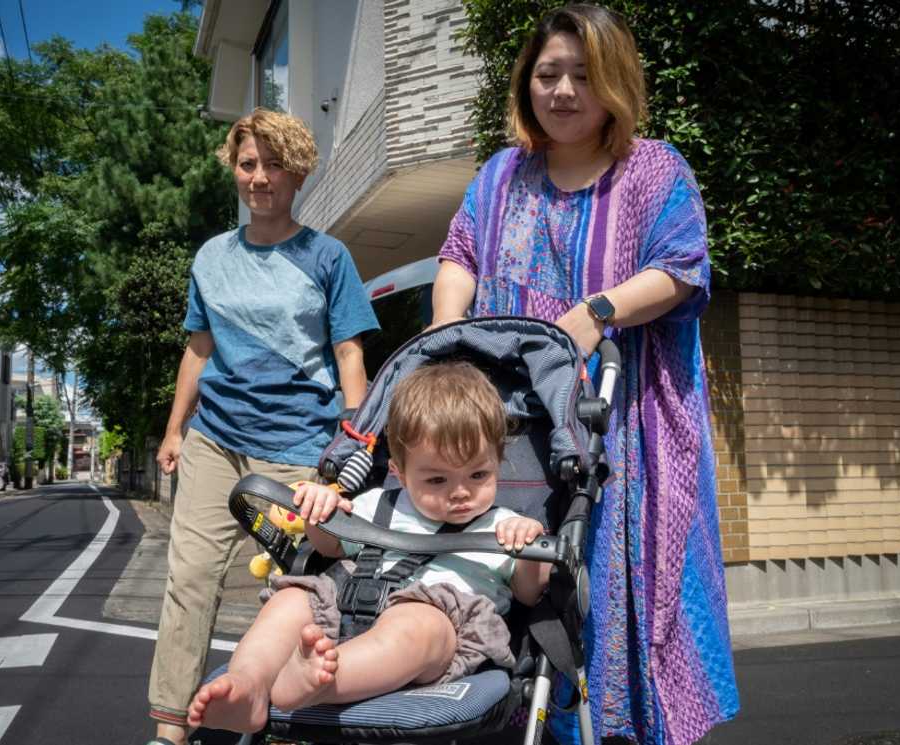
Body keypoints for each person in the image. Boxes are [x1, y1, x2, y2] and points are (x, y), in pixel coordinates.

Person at [431, 5, 739, 745]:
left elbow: (682, 268)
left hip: (623, 427)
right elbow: (460, 254)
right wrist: (445, 340)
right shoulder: (502, 174)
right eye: (547, 74)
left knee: (619, 589)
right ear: (525, 82)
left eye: (581, 74)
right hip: (512, 425)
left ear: (614, 83)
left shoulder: (653, 169)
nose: (562, 90)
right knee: (512, 573)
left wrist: (596, 312)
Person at [145, 108, 380, 745]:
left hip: (299, 447)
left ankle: (284, 715)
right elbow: (198, 350)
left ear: (298, 172)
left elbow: (349, 355)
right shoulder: (212, 257)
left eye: (274, 164)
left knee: (293, 589)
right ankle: (170, 728)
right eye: (249, 164)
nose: (260, 177)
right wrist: (175, 431)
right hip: (214, 440)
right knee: (189, 578)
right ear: (235, 170)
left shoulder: (327, 257)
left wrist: (353, 444)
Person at [186, 361, 551, 734]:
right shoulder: (378, 503)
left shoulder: (503, 524)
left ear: (498, 463)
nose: (460, 492)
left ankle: (322, 683)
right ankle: (249, 684)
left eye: (478, 475)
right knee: (291, 600)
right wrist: (319, 514)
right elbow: (329, 548)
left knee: (416, 626)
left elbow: (529, 592)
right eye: (437, 479)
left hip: (441, 628)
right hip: (351, 602)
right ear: (399, 472)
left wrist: (530, 546)